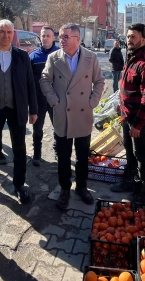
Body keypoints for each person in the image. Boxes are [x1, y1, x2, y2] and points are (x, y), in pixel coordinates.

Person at [41, 24, 105, 211]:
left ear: (78, 38)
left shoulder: (90, 57)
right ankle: (64, 189)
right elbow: (44, 80)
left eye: (66, 36)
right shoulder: (54, 58)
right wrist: (54, 100)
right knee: (63, 155)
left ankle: (82, 187)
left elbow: (100, 81)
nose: (62, 40)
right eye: (60, 36)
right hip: (63, 113)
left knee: (83, 154)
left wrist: (92, 101)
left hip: (83, 113)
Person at [0, 20, 38, 205]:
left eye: (9, 32)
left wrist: (33, 110)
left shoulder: (22, 56)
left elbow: (30, 84)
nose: (6, 35)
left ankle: (19, 185)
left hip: (16, 108)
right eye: (2, 32)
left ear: (13, 34)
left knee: (19, 148)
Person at [110, 23, 145, 203]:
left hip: (140, 120)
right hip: (127, 115)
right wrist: (120, 105)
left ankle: (142, 191)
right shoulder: (131, 58)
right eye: (128, 36)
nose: (129, 40)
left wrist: (138, 125)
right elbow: (126, 87)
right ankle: (129, 182)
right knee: (129, 152)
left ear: (143, 40)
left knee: (141, 155)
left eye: (133, 37)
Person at [29, 26, 60, 166]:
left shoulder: (60, 55)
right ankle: (36, 154)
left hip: (55, 100)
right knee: (37, 129)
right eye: (43, 35)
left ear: (54, 37)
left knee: (58, 128)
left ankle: (58, 150)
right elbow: (28, 80)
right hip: (38, 100)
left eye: (48, 35)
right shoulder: (33, 56)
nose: (45, 38)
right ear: (39, 37)